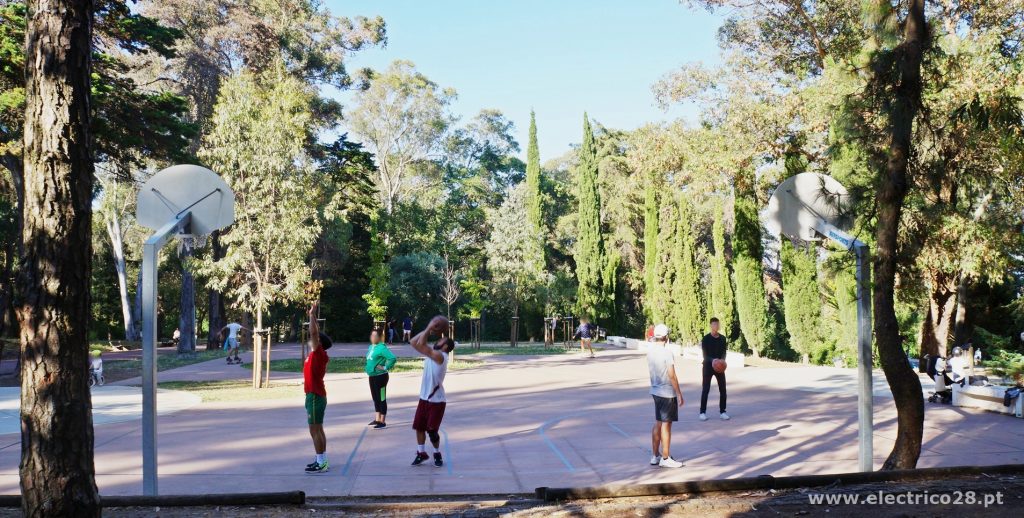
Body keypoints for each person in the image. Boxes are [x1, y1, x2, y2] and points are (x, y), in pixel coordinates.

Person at [409, 316, 455, 467]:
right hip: (424, 398)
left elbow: (421, 343)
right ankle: (421, 453)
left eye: (442, 340)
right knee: (419, 427)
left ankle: (436, 453)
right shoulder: (432, 354)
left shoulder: (440, 356)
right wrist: (427, 329)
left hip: (437, 401)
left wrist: (429, 327)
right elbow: (413, 342)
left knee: (432, 431)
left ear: (446, 347)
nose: (439, 340)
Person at [647, 324, 685, 468]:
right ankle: (665, 457)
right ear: (666, 337)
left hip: (655, 391)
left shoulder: (650, 352)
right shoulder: (666, 353)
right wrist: (679, 393)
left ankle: (655, 456)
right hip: (667, 392)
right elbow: (672, 375)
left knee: (658, 422)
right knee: (666, 425)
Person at [303, 303, 333, 474]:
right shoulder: (316, 354)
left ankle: (321, 462)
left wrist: (312, 315)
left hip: (315, 396)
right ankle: (321, 459)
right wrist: (312, 316)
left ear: (319, 343)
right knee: (318, 429)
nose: (311, 338)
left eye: (314, 338)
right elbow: (315, 332)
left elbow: (314, 332)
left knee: (314, 429)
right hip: (314, 395)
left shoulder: (318, 353)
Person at [366, 328, 397, 429]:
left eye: (375, 336)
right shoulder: (371, 347)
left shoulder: (382, 348)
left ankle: (382, 421)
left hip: (381, 377)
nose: (373, 337)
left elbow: (392, 358)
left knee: (382, 398)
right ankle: (377, 419)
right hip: (372, 376)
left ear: (379, 337)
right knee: (375, 398)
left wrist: (385, 367)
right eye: (372, 335)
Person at [699, 317, 729, 421]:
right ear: (711, 325)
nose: (716, 326)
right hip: (708, 366)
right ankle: (702, 412)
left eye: (718, 324)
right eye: (714, 324)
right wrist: (714, 360)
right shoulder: (706, 339)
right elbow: (705, 355)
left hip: (719, 368)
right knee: (705, 390)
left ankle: (723, 412)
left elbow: (724, 352)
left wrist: (722, 361)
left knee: (723, 390)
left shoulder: (722, 338)